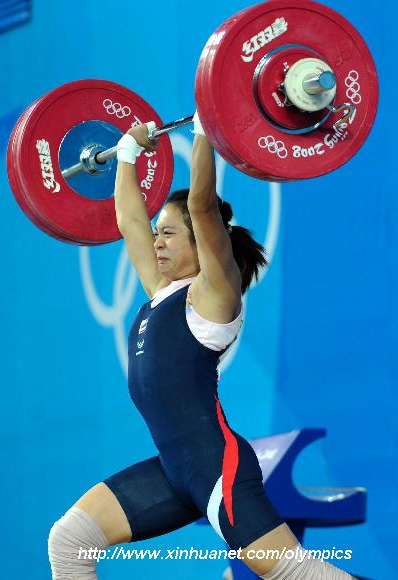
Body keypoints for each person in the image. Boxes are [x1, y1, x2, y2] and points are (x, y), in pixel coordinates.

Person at [48, 114, 356, 579]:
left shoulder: (215, 294)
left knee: (302, 576)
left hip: (219, 471)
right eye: (158, 234)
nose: (156, 243)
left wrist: (206, 131)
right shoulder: (161, 291)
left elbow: (203, 207)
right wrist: (128, 154)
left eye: (168, 233)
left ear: (201, 244)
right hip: (173, 473)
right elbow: (130, 220)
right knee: (69, 541)